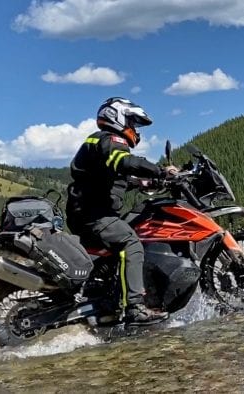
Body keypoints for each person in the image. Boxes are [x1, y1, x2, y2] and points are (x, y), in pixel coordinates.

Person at [66, 97, 176, 324]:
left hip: (91, 212)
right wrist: (160, 171)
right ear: (118, 117)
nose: (134, 129)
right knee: (131, 243)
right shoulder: (107, 139)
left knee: (136, 229)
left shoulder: (102, 144)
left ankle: (113, 297)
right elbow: (124, 162)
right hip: (93, 215)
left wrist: (149, 183)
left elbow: (119, 179)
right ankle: (134, 307)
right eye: (132, 122)